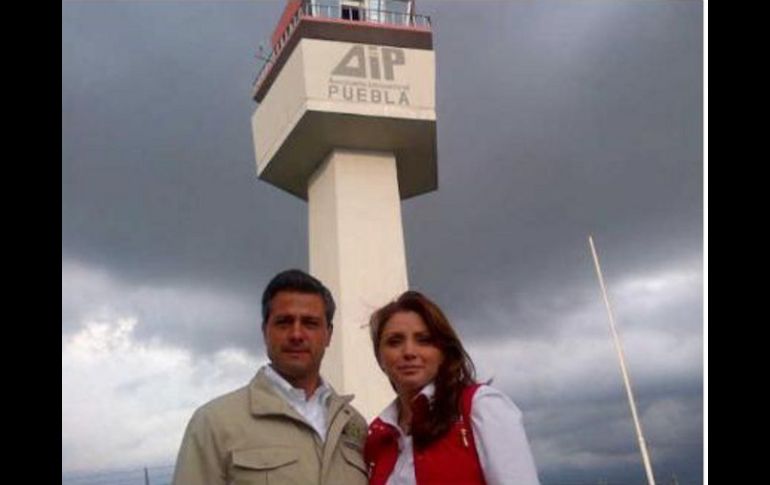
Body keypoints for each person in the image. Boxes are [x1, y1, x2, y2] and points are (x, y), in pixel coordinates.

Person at [172, 269, 368, 485]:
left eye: (310, 323)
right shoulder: (214, 424)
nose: (296, 334)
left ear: (328, 334)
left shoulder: (354, 427)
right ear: (265, 331)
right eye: (284, 322)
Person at [364, 290, 541, 485]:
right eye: (394, 342)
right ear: (380, 357)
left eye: (424, 340)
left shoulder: (480, 406)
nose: (409, 352)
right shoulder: (376, 436)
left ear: (444, 351)